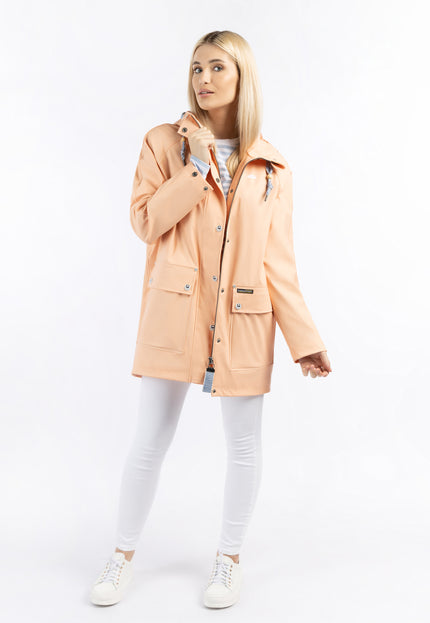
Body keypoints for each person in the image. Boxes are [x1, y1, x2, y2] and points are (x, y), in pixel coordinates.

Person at [90, 29, 332, 610]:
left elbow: (279, 262)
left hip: (245, 316)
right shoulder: (162, 143)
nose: (203, 78)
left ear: (242, 76)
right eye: (197, 67)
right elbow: (146, 223)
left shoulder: (271, 166)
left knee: (244, 444)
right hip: (173, 311)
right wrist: (196, 166)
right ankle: (121, 555)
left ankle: (229, 559)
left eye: (218, 67)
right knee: (149, 440)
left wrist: (304, 339)